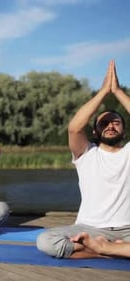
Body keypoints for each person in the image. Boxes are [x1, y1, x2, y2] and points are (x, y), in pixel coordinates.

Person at [36, 59, 130, 258]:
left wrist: (119, 92)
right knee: (45, 241)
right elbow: (74, 128)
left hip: (128, 229)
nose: (110, 126)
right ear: (95, 131)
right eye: (104, 123)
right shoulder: (87, 153)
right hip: (90, 228)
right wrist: (104, 91)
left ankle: (103, 249)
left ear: (124, 130)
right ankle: (111, 250)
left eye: (116, 122)